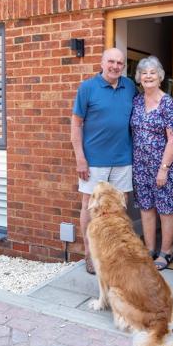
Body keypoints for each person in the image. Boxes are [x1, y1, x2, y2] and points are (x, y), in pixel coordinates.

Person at [71, 48, 137, 274]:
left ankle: (116, 252)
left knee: (119, 207)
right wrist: (80, 157)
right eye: (111, 61)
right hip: (94, 161)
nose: (115, 66)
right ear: (102, 62)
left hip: (123, 159)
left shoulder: (130, 87)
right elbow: (76, 124)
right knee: (89, 206)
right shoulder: (87, 88)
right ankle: (90, 254)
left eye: (120, 63)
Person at [130, 56, 173, 271]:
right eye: (144, 73)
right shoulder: (136, 101)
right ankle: (149, 249)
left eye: (153, 72)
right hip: (140, 164)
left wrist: (163, 169)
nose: (148, 76)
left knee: (166, 208)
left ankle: (166, 251)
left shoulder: (168, 104)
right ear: (139, 78)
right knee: (146, 207)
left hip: (163, 165)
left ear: (160, 77)